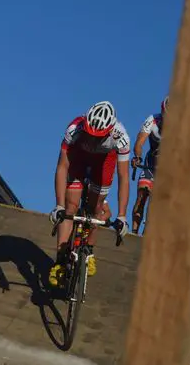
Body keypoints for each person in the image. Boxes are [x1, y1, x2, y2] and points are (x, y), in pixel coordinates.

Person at [48, 101, 129, 288]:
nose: (93, 141)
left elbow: (123, 177)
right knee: (70, 206)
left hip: (104, 161)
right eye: (90, 135)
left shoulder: (121, 137)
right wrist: (59, 206)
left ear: (109, 131)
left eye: (98, 137)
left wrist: (122, 215)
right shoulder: (74, 129)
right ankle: (60, 260)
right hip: (79, 158)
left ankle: (89, 250)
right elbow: (62, 167)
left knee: (96, 208)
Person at [130, 96, 167, 234]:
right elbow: (140, 142)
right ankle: (134, 232)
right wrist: (137, 157)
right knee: (142, 195)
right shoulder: (152, 120)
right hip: (150, 163)